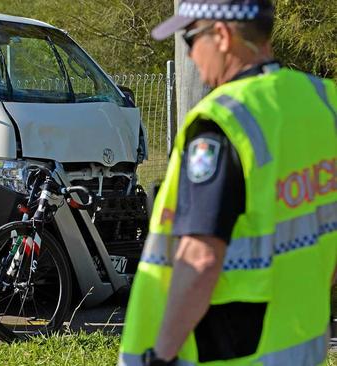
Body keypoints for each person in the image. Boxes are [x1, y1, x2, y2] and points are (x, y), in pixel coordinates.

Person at [117, 0, 337, 365]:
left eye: (189, 39)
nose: (191, 56)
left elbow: (200, 259)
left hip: (227, 351)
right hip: (303, 341)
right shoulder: (323, 102)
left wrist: (161, 354)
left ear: (221, 35)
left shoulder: (224, 122)